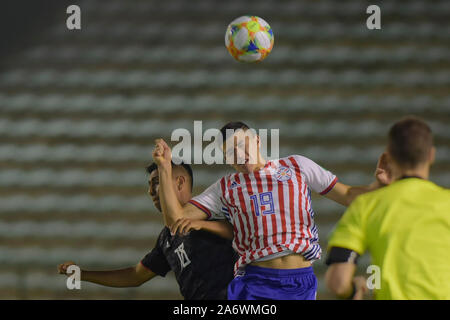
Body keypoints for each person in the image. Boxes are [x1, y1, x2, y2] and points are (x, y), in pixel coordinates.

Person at [152, 121, 389, 300]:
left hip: (301, 283)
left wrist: (378, 187)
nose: (240, 156)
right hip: (255, 283)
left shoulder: (296, 166)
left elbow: (348, 195)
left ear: (256, 141)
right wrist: (164, 168)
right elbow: (176, 220)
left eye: (242, 146)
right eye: (231, 153)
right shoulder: (225, 187)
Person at [58, 161, 237, 300]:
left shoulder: (211, 213)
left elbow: (239, 233)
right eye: (149, 184)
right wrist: (83, 274)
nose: (150, 191)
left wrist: (202, 225)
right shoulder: (166, 238)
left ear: (180, 183)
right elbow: (135, 276)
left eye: (157, 182)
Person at [325, 116, 450, 300]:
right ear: (431, 155)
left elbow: (338, 283)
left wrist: (354, 289)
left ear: (389, 156)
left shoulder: (366, 205)